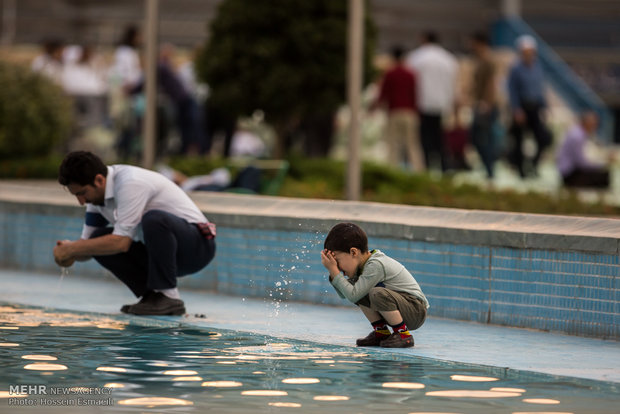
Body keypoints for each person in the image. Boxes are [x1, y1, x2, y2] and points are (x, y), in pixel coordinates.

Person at [53, 151, 216, 315]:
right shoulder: (96, 198)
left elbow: (121, 243)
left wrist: (73, 249)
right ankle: (153, 297)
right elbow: (87, 247)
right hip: (162, 255)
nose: (81, 202)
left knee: (154, 219)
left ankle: (169, 297)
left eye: (82, 193)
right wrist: (67, 253)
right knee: (97, 239)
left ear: (99, 180)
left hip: (197, 247)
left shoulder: (130, 183)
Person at [321, 223, 429, 348]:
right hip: (402, 307)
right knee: (360, 292)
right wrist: (333, 272)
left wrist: (334, 271)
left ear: (353, 252)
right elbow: (345, 294)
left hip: (415, 310)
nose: (337, 266)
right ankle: (381, 332)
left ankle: (404, 335)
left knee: (375, 293)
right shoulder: (361, 268)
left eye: (337, 261)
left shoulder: (375, 264)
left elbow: (352, 295)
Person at [406, 31, 459, 172]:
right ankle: (444, 167)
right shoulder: (448, 59)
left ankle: (427, 167)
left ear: (423, 39)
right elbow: (453, 85)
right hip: (442, 104)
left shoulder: (417, 57)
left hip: (422, 103)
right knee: (440, 139)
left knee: (424, 139)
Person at [507, 35, 552, 178]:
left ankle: (534, 164)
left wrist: (545, 107)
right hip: (522, 108)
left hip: (536, 107)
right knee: (519, 140)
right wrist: (516, 109)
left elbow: (540, 89)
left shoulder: (538, 66)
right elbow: (512, 90)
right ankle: (521, 170)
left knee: (544, 138)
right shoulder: (516, 69)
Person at [374, 45, 424, 172]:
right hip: (410, 112)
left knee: (393, 145)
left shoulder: (390, 74)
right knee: (412, 145)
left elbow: (383, 94)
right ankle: (418, 171)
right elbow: (416, 94)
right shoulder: (411, 74)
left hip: (394, 112)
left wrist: (374, 107)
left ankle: (393, 171)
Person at [470, 31, 499, 178]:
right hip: (481, 103)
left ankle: (490, 170)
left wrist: (487, 103)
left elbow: (491, 83)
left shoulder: (487, 59)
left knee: (482, 138)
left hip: (486, 105)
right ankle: (488, 169)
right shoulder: (480, 59)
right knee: (478, 138)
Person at [556, 111, 610, 188]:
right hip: (570, 174)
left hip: (570, 171)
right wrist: (601, 165)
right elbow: (581, 163)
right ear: (587, 123)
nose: (595, 126)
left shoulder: (577, 133)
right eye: (594, 123)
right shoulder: (577, 136)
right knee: (605, 175)